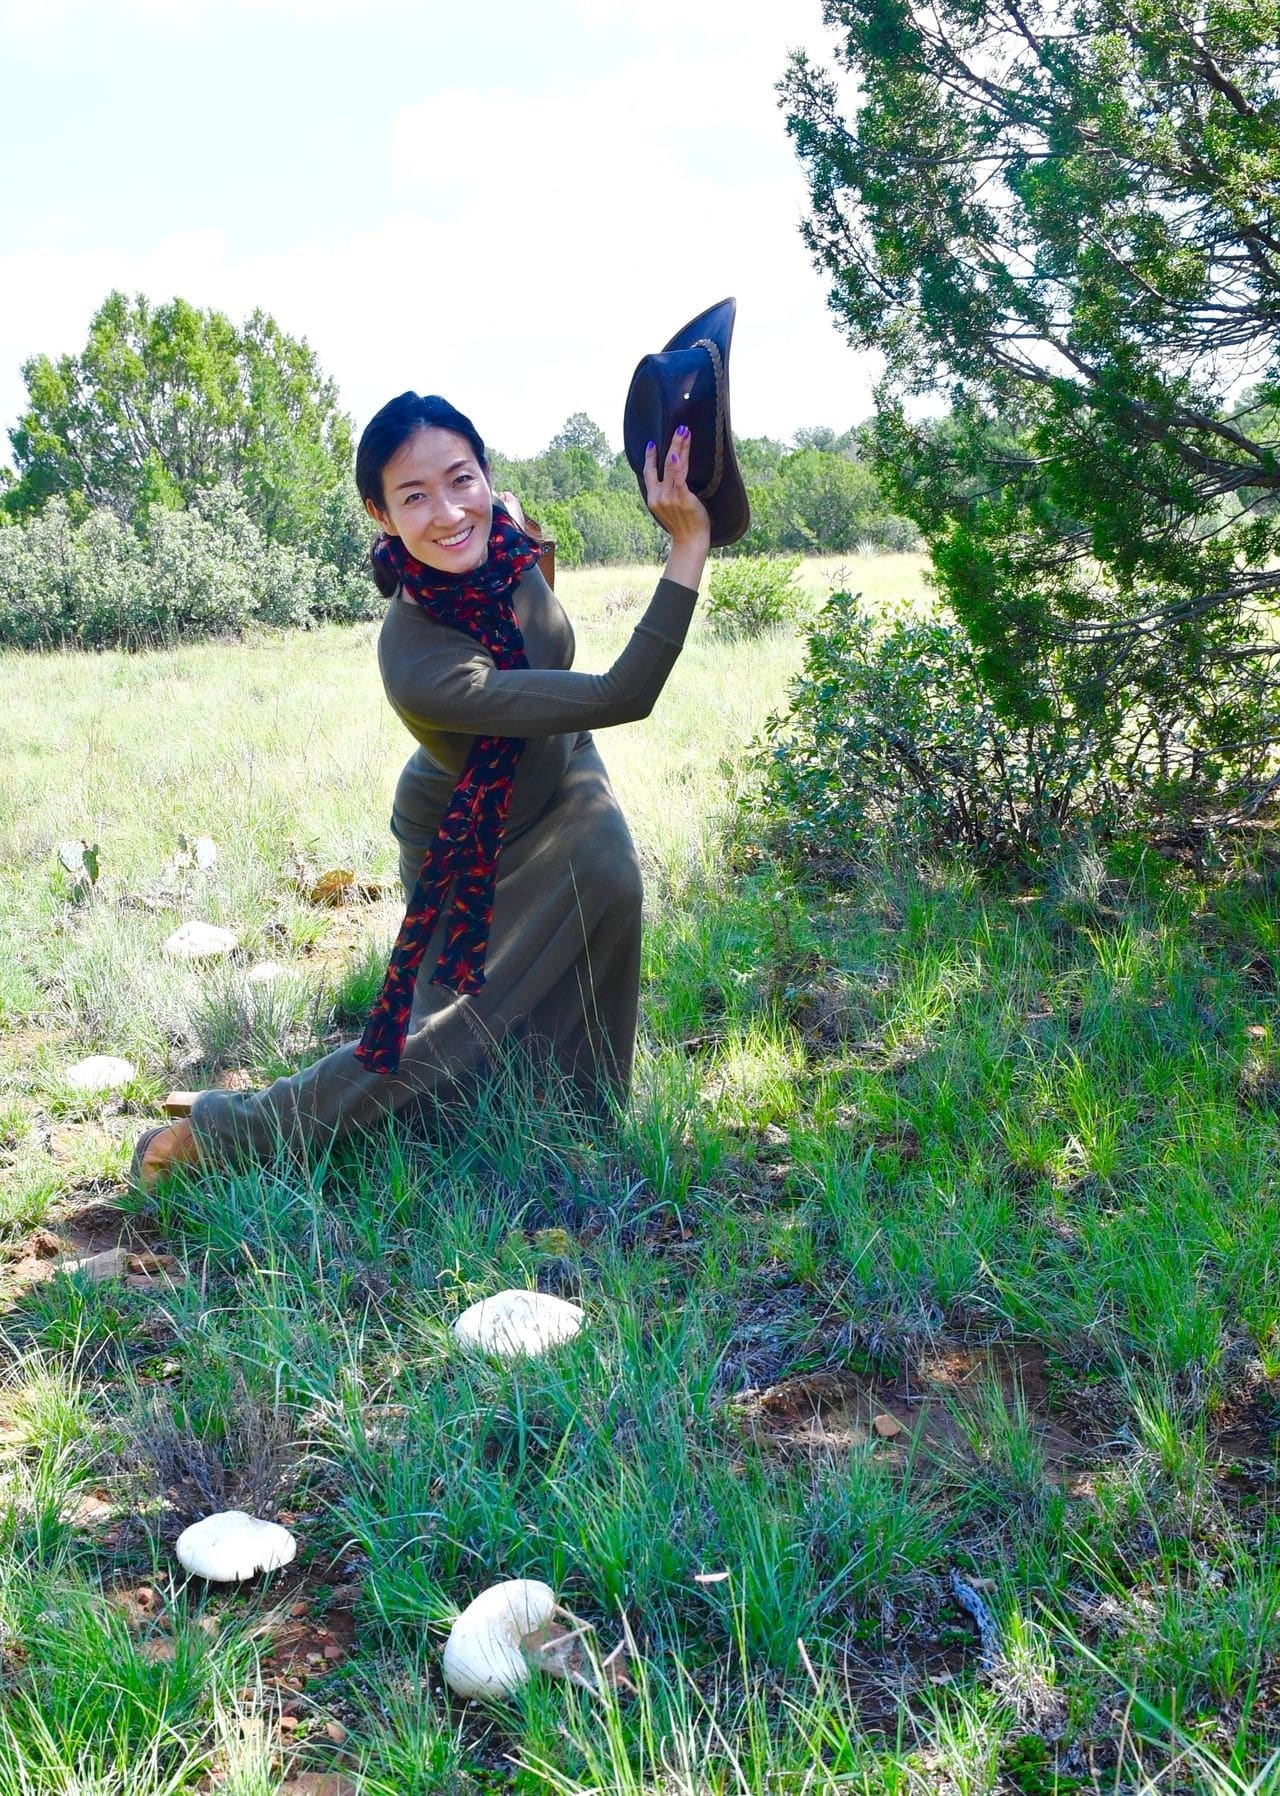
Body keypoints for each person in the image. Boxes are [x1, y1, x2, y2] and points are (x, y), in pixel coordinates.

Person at [130, 392, 710, 1191]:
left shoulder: (500, 533)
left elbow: (533, 595)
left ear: (485, 473)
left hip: (559, 771)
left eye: (460, 479)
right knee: (438, 1030)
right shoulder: (418, 659)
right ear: (380, 512)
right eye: (414, 497)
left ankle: (574, 1120)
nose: (447, 512)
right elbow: (622, 691)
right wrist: (688, 546)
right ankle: (228, 1134)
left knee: (609, 879)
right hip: (473, 833)